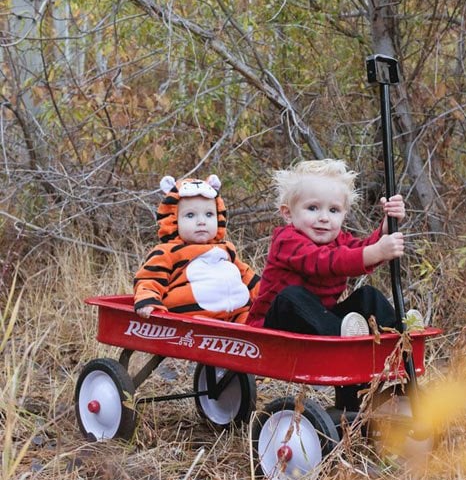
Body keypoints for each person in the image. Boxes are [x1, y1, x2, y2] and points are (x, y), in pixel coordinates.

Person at [246, 159, 423, 410]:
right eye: (312, 208)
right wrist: (375, 252)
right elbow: (325, 262)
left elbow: (359, 250)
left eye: (333, 211)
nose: (323, 219)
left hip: (322, 327)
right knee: (291, 296)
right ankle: (347, 339)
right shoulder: (287, 240)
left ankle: (400, 334)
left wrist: (385, 229)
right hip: (275, 329)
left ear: (343, 214)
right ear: (288, 213)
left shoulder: (338, 239)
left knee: (367, 296)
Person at [134, 174, 260, 323]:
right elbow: (150, 278)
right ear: (173, 220)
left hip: (237, 315)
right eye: (190, 215)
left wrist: (269, 294)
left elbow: (247, 276)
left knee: (259, 322)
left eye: (209, 214)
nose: (201, 221)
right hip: (191, 319)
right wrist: (148, 300)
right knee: (198, 325)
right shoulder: (168, 252)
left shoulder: (227, 249)